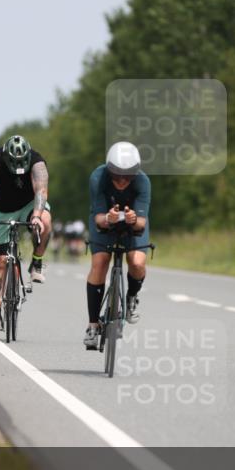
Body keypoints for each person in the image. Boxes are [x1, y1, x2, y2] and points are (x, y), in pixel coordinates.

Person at [0, 135, 52, 332]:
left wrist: (36, 216)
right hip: (0, 209)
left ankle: (37, 260)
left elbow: (41, 192)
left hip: (28, 205)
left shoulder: (37, 162)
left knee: (45, 220)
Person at [83, 141, 151, 349]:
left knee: (137, 262)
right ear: (109, 170)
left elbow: (141, 221)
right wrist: (109, 219)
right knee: (100, 261)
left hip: (133, 224)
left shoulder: (143, 182)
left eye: (128, 176)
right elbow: (99, 219)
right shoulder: (98, 177)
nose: (122, 181)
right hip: (105, 221)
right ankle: (93, 325)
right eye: (117, 175)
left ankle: (131, 298)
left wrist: (132, 219)